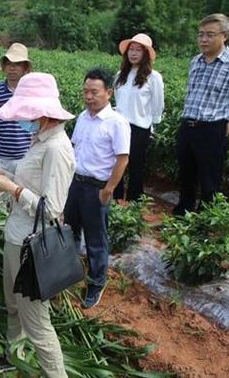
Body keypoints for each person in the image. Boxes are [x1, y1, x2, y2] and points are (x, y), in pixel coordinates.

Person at [0, 73, 74, 378]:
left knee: (37, 323)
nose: (23, 119)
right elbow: (29, 176)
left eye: (27, 113)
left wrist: (12, 189)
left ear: (43, 113)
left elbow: (52, 209)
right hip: (15, 237)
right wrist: (4, 171)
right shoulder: (39, 140)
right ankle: (14, 356)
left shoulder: (57, 149)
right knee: (13, 306)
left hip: (31, 248)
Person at [173, 13, 229, 215]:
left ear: (224, 36)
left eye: (209, 35)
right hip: (188, 126)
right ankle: (182, 218)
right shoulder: (195, 61)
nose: (203, 39)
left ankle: (204, 225)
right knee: (186, 176)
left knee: (209, 182)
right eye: (200, 34)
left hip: (213, 129)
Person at [63, 68, 130, 309]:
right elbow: (73, 148)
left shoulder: (117, 123)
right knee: (70, 231)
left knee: (96, 239)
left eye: (94, 92)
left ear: (108, 93)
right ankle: (69, 275)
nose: (89, 96)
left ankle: (96, 283)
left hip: (96, 188)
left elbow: (122, 159)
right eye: (85, 91)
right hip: (76, 184)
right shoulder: (82, 117)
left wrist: (108, 189)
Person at [113, 33, 164, 201]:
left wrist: (153, 125)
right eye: (131, 50)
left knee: (136, 167)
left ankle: (135, 202)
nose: (133, 53)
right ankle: (116, 198)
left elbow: (158, 104)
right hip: (119, 125)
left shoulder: (153, 77)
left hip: (139, 128)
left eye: (138, 50)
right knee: (116, 164)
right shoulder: (120, 74)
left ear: (146, 54)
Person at [0, 42, 34, 174]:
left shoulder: (33, 92)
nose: (12, 68)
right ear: (4, 67)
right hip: (0, 158)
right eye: (9, 64)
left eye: (17, 64)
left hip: (27, 157)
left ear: (25, 68)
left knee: (23, 193)